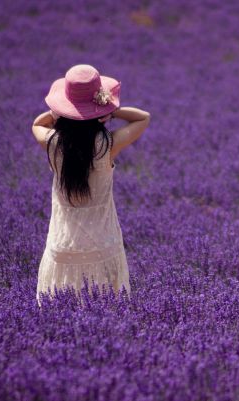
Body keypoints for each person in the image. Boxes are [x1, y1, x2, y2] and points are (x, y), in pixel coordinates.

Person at [31, 64, 151, 307]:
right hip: (102, 239)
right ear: (98, 110)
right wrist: (109, 111)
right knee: (107, 306)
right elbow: (143, 117)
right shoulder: (107, 144)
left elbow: (37, 124)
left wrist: (58, 113)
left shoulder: (54, 143)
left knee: (60, 308)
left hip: (63, 240)